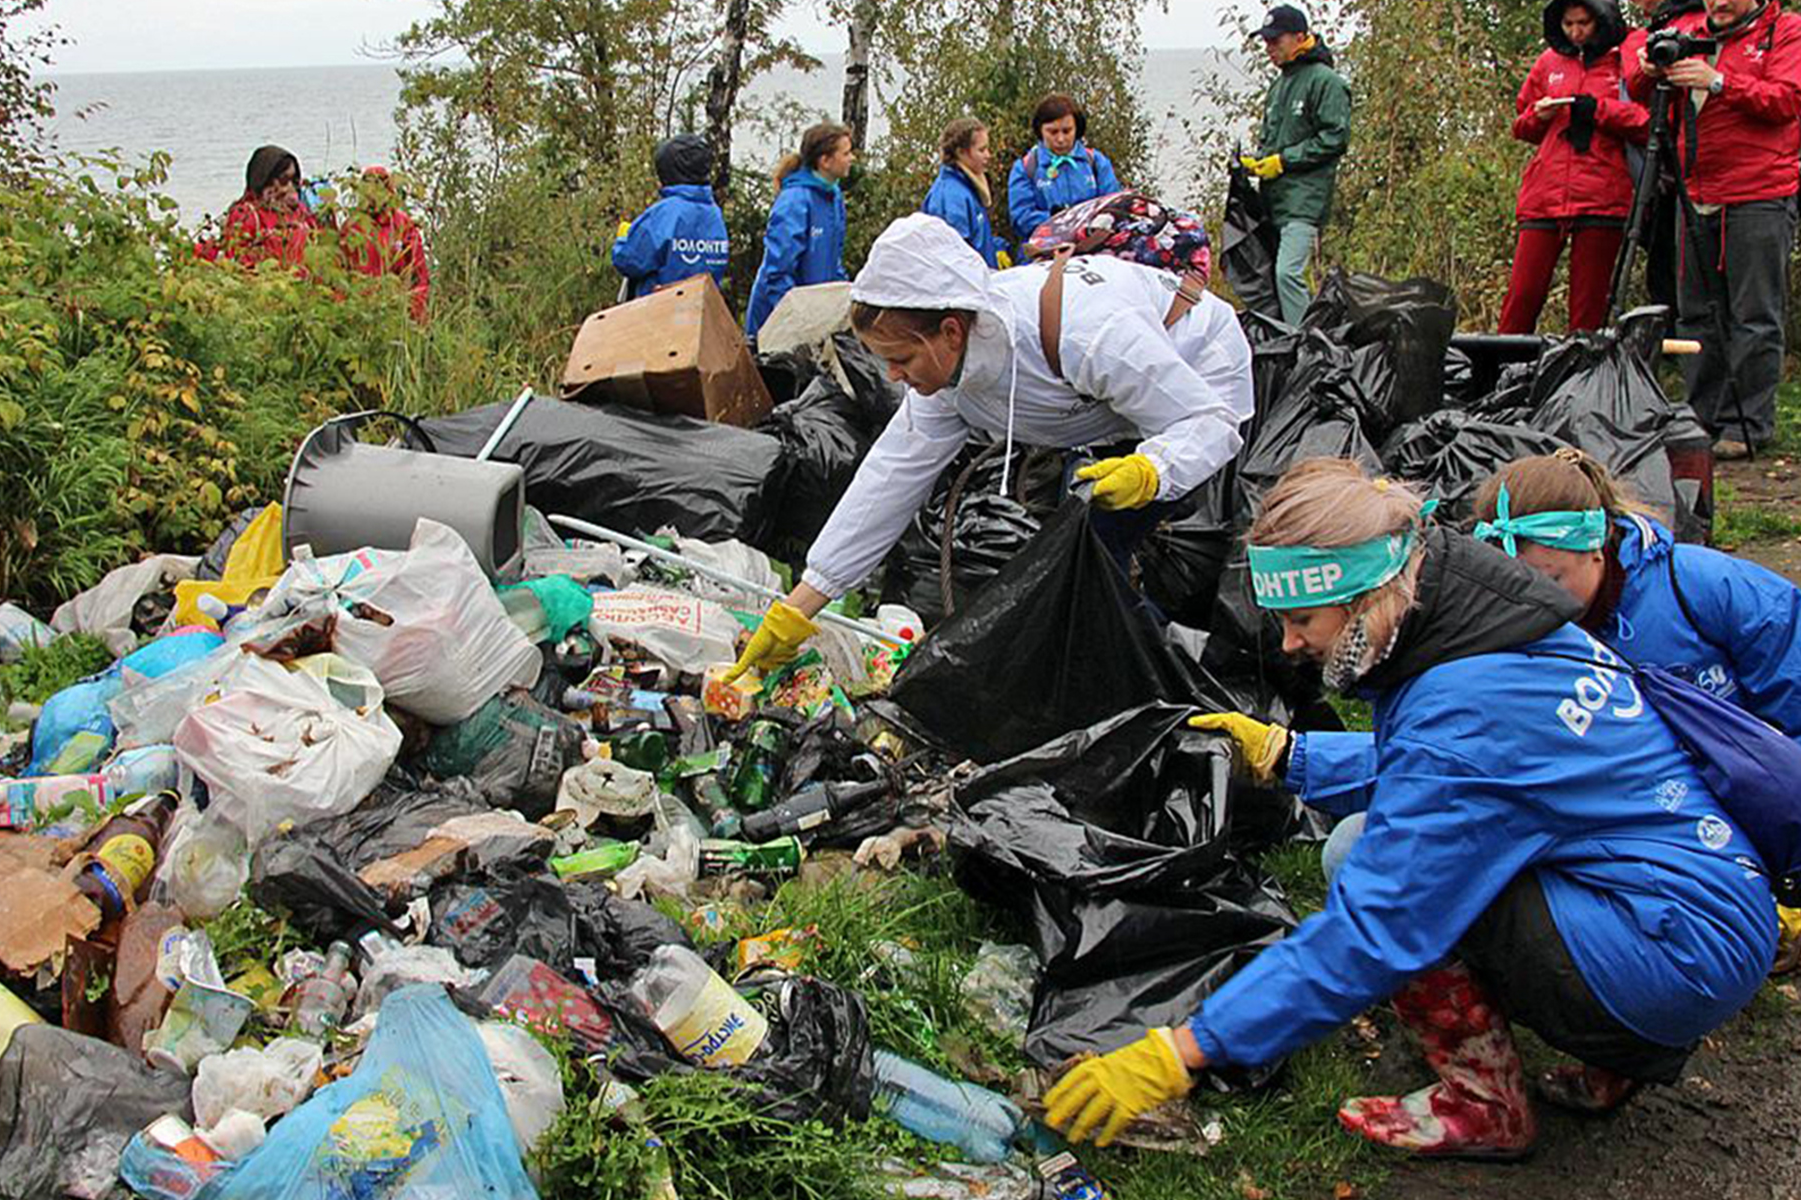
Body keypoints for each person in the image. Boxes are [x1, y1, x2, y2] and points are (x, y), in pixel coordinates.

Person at [1046, 458, 1776, 1158]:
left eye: (1303, 619)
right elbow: (1473, 776)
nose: (1291, 644)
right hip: (1700, 900)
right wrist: (1288, 754)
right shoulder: (1495, 623)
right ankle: (1619, 1050)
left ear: (1365, 597)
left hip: (1673, 952)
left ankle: (1487, 1107)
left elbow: (1380, 923)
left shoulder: (1464, 708)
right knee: (1404, 852)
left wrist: (1186, 1048)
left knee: (1369, 863)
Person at [724, 213, 1253, 679]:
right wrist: (800, 605)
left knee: (1090, 563)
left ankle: (1171, 680)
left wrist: (1152, 470)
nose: (891, 375)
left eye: (901, 360)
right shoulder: (947, 378)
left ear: (950, 331)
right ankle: (1110, 668)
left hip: (1195, 386)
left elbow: (1208, 420)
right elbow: (886, 484)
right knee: (1078, 552)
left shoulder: (1089, 332)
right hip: (1099, 414)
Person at [1628, 0, 1801, 459]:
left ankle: (1747, 425)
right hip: (1696, 189)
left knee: (1754, 315)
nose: (1719, 3)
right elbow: (1635, 88)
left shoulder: (1786, 32)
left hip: (1760, 191)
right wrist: (1648, 68)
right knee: (1696, 313)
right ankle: (1698, 418)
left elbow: (1787, 99)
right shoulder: (1688, 30)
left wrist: (1719, 82)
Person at [1498, 1, 1648, 334]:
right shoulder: (1549, 61)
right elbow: (1521, 127)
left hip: (1602, 194)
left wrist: (1598, 110)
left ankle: (1579, 379)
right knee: (1522, 297)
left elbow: (1649, 123)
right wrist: (1538, 115)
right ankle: (1499, 375)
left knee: (1587, 307)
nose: (1576, 32)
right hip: (1544, 195)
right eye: (1568, 24)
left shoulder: (1625, 58)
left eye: (1583, 23)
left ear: (1601, 20)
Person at [1240, 5, 1351, 325]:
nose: (1269, 49)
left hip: (1305, 201)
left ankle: (1307, 348)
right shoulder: (1279, 86)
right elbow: (1274, 141)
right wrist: (1256, 164)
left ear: (1300, 38)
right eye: (1266, 42)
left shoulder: (1326, 81)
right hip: (1274, 200)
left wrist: (1284, 161)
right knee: (1268, 277)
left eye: (1276, 41)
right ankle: (1285, 342)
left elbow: (1335, 138)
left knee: (1287, 273)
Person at [1625, 0, 1710, 328]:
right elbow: (1634, 86)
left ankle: (1700, 347)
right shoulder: (1643, 35)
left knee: (1693, 259)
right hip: (1662, 155)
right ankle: (1668, 341)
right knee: (1662, 257)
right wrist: (1650, 69)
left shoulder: (1703, 21)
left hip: (1697, 154)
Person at [744, 123, 853, 339]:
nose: (852, 158)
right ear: (825, 161)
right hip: (779, 321)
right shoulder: (794, 201)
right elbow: (778, 272)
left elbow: (833, 261)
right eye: (846, 153)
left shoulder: (834, 196)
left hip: (814, 317)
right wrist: (801, 323)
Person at [613, 134, 730, 299]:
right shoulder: (714, 214)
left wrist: (624, 237)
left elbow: (628, 261)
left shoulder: (664, 213)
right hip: (702, 312)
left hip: (661, 315)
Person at [1005, 94, 1121, 247]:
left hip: (1092, 251)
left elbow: (1114, 207)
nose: (1060, 139)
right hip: (1043, 255)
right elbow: (1021, 219)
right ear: (1040, 131)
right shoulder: (1025, 168)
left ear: (1077, 129)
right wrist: (1057, 219)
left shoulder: (1096, 162)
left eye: (1067, 131)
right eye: (1052, 132)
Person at [197, 145, 319, 269]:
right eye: (283, 180)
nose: (289, 187)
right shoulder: (246, 215)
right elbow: (237, 263)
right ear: (265, 180)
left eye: (294, 180)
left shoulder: (300, 211)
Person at [342, 167, 431, 321]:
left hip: (395, 312)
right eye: (368, 188)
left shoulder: (403, 225)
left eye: (378, 188)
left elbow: (419, 276)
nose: (373, 195)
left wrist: (414, 314)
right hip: (359, 312)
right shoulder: (351, 227)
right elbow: (340, 275)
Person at [922, 117, 1007, 268]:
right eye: (982, 150)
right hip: (965, 288)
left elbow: (977, 238)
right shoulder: (950, 196)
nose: (988, 155)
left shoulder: (967, 186)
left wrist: (997, 247)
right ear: (961, 152)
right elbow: (956, 257)